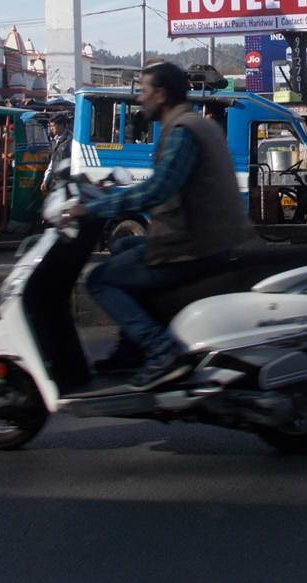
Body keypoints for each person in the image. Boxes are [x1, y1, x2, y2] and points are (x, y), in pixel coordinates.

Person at [57, 62, 250, 390]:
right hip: (204, 236)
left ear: (160, 95)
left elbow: (156, 190)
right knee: (122, 247)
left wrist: (91, 207)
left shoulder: (182, 133)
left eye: (144, 92)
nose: (140, 100)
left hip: (193, 244)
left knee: (101, 280)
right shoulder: (194, 124)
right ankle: (132, 348)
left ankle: (163, 352)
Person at [40, 114, 72, 194]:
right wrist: (46, 180)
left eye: (53, 126)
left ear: (61, 125)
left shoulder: (71, 140)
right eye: (50, 126)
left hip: (66, 182)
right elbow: (52, 162)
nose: (51, 129)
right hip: (55, 182)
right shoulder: (54, 141)